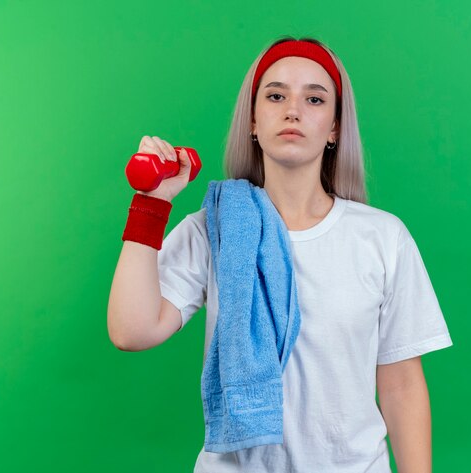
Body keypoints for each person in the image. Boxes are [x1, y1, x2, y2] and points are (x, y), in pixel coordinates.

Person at [108, 35, 453, 473]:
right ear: (253, 120)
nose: (293, 109)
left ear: (334, 128)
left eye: (314, 98)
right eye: (276, 95)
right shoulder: (216, 228)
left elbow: (402, 386)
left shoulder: (382, 237)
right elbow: (131, 331)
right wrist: (152, 204)